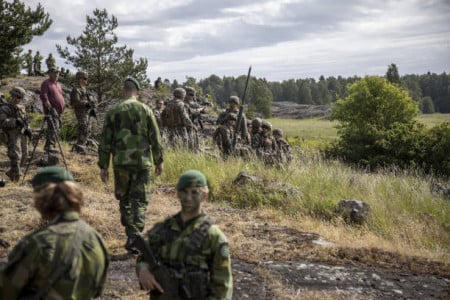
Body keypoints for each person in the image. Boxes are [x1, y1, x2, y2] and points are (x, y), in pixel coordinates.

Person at [0, 166, 109, 299]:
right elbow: (97, 290)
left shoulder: (38, 243)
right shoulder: (97, 240)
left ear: (42, 199)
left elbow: (6, 292)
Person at [136, 170, 233, 300]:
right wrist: (143, 270)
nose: (188, 198)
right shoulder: (163, 228)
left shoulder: (213, 236)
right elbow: (143, 256)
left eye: (194, 192)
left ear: (204, 195)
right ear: (177, 194)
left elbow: (223, 286)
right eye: (184, 192)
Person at [98, 76, 164, 252]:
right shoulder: (146, 110)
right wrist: (159, 161)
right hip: (142, 163)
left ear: (124, 90)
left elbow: (105, 141)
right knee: (140, 200)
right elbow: (155, 139)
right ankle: (135, 235)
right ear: (138, 92)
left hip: (120, 163)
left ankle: (131, 234)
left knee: (125, 199)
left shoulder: (113, 111)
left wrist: (103, 166)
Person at [0, 87, 32, 181]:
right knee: (16, 155)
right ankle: (15, 177)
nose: (18, 99)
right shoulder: (5, 108)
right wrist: (15, 122)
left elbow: (24, 120)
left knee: (25, 154)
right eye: (16, 97)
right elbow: (3, 122)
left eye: (20, 98)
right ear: (12, 96)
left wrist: (28, 129)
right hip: (11, 134)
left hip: (21, 133)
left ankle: (12, 172)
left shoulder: (21, 108)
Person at [40, 66, 65, 154]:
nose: (56, 74)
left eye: (57, 73)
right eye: (54, 73)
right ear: (49, 74)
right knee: (53, 128)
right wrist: (50, 108)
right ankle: (50, 146)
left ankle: (50, 145)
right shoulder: (46, 83)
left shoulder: (58, 84)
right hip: (52, 111)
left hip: (59, 111)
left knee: (57, 128)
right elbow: (44, 97)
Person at [70, 71, 95, 152]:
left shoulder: (84, 89)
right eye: (84, 78)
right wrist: (87, 103)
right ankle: (80, 146)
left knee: (88, 128)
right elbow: (75, 102)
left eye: (86, 78)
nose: (86, 80)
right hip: (80, 112)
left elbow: (88, 99)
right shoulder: (76, 90)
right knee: (83, 128)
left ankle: (82, 145)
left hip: (86, 112)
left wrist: (92, 102)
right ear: (79, 79)